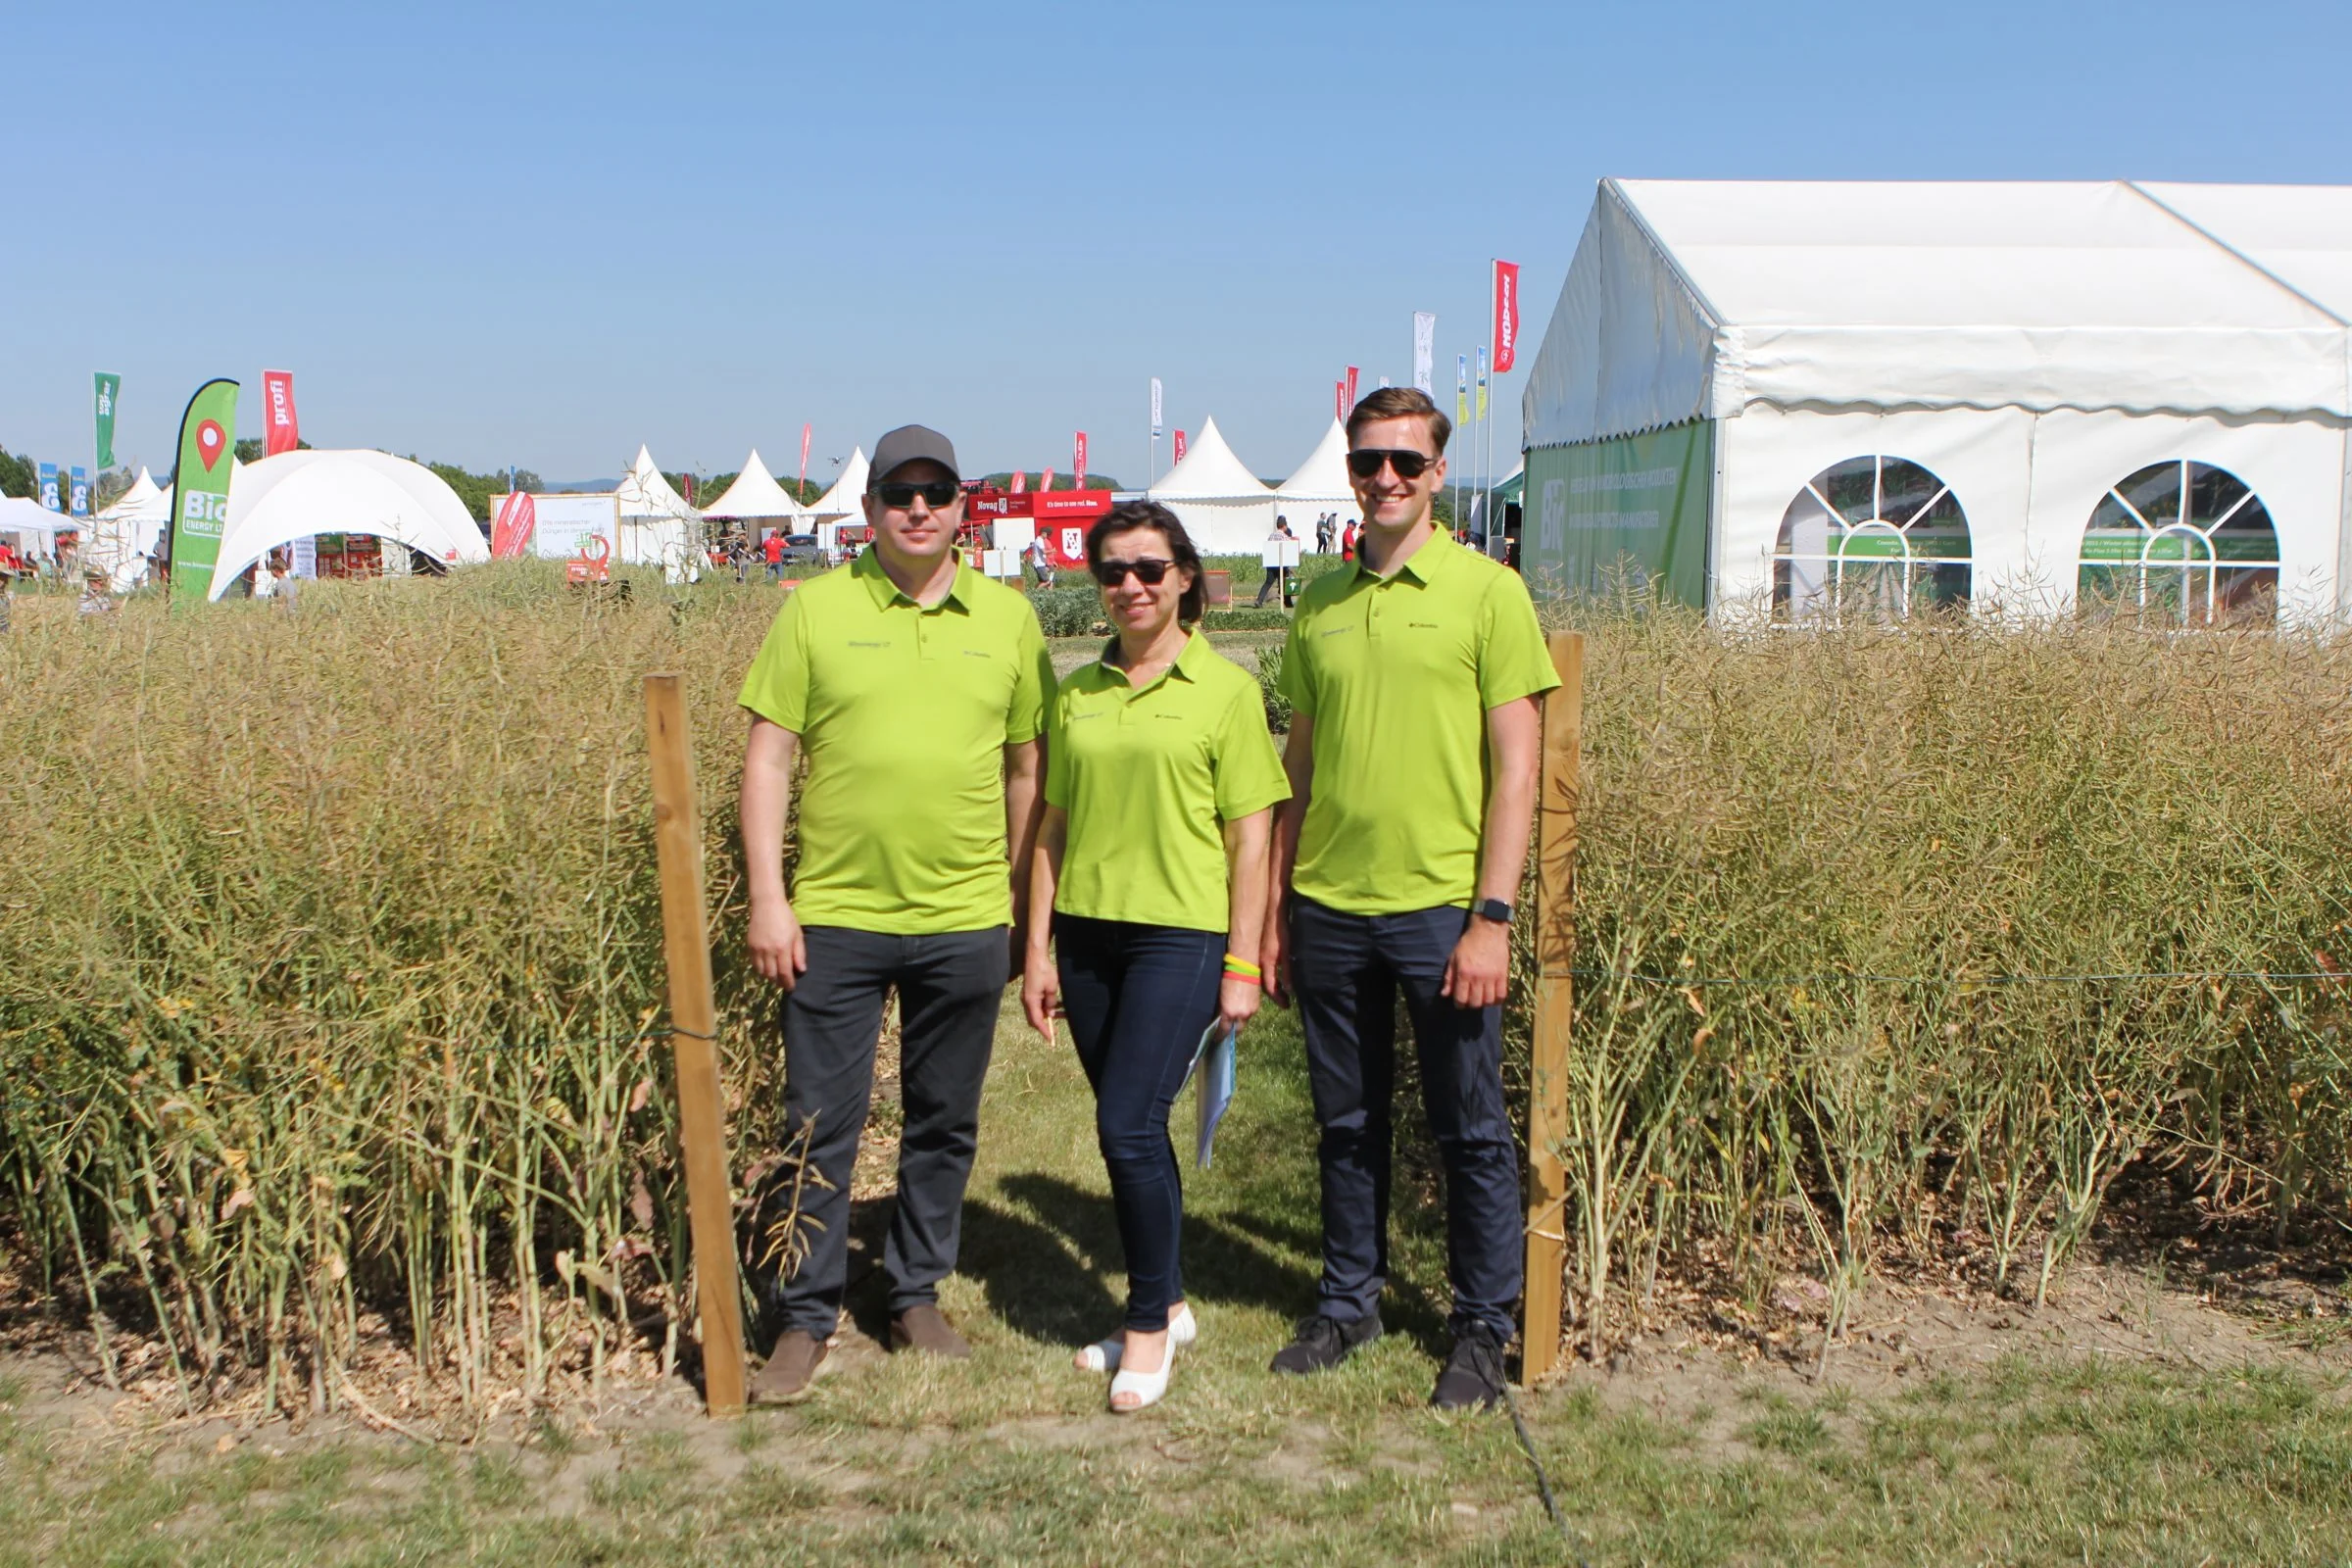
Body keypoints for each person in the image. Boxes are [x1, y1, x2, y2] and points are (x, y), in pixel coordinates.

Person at [738, 424, 1054, 1402]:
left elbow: (1027, 770)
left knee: (943, 1120)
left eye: (937, 491)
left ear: (965, 507)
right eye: (899, 492)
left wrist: (1015, 904)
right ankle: (805, 1314)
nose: (919, 508)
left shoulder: (1006, 620)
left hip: (963, 918)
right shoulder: (814, 613)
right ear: (869, 508)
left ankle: (914, 1292)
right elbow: (767, 758)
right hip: (832, 915)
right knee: (817, 1122)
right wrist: (768, 896)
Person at [1261, 385, 1557, 1411]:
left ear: (1438, 473)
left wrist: (1493, 915)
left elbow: (1518, 769)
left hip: (1443, 912)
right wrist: (1277, 908)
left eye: (1404, 462)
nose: (1384, 478)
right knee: (1345, 1122)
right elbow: (1294, 766)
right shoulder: (1320, 603)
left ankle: (1482, 1325)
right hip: (1330, 905)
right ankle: (1350, 1301)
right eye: (1367, 461)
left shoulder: (1488, 594)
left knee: (1468, 1128)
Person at [1022, 501, 1289, 1414]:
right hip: (1087, 938)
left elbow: (1252, 840)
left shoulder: (1227, 693)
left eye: (1147, 568)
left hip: (1180, 936)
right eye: (1111, 571)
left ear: (1184, 577)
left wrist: (1244, 964)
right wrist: (1037, 950)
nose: (1129, 585)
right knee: (1133, 1124)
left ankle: (1143, 1327)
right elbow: (1051, 827)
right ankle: (1170, 1297)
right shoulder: (1077, 691)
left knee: (1127, 1126)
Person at [1253, 515, 1296, 608]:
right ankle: (1288, 603)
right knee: (1284, 583)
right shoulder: (1285, 537)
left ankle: (1259, 600)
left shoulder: (1271, 536)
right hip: (1281, 564)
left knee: (1268, 582)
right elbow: (1290, 550)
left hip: (1271, 564)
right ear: (1284, 526)